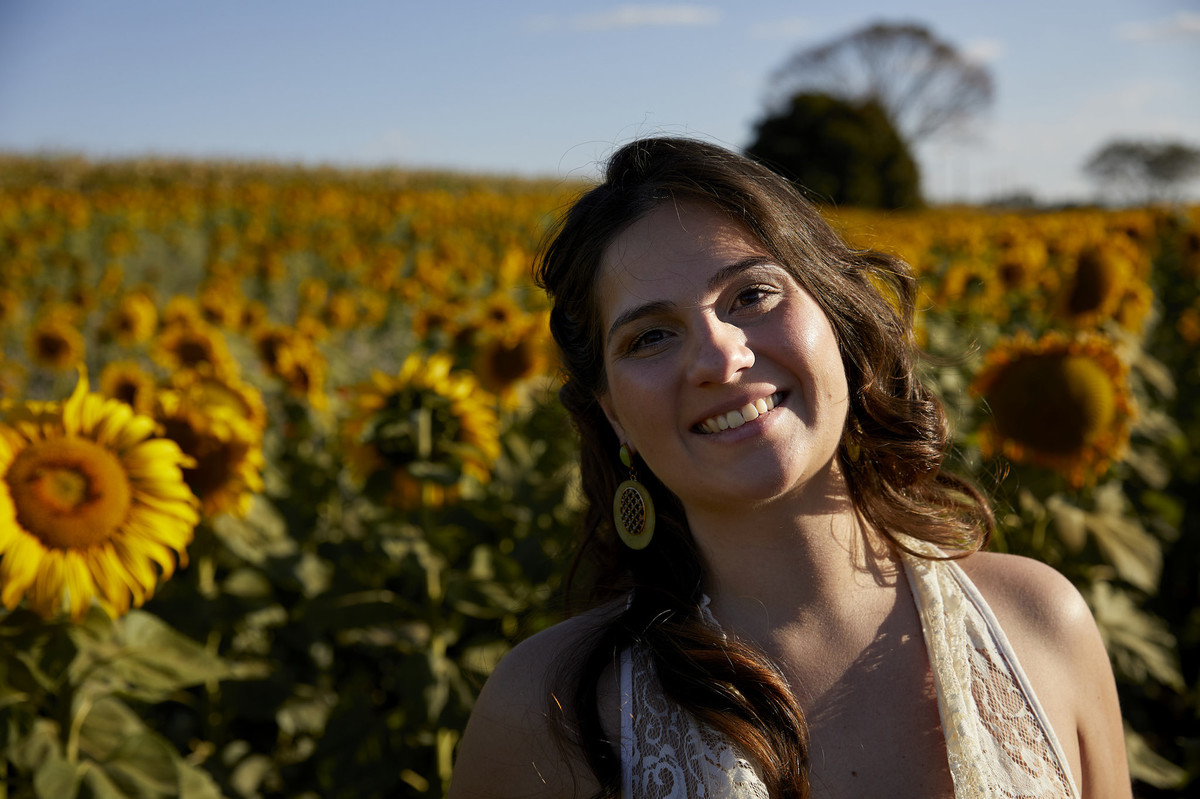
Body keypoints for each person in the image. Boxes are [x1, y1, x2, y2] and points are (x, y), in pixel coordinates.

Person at [447, 137, 1130, 798]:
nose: (721, 358)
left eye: (751, 295)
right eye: (650, 336)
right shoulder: (546, 712)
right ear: (613, 415)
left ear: (838, 317)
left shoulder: (1043, 624)